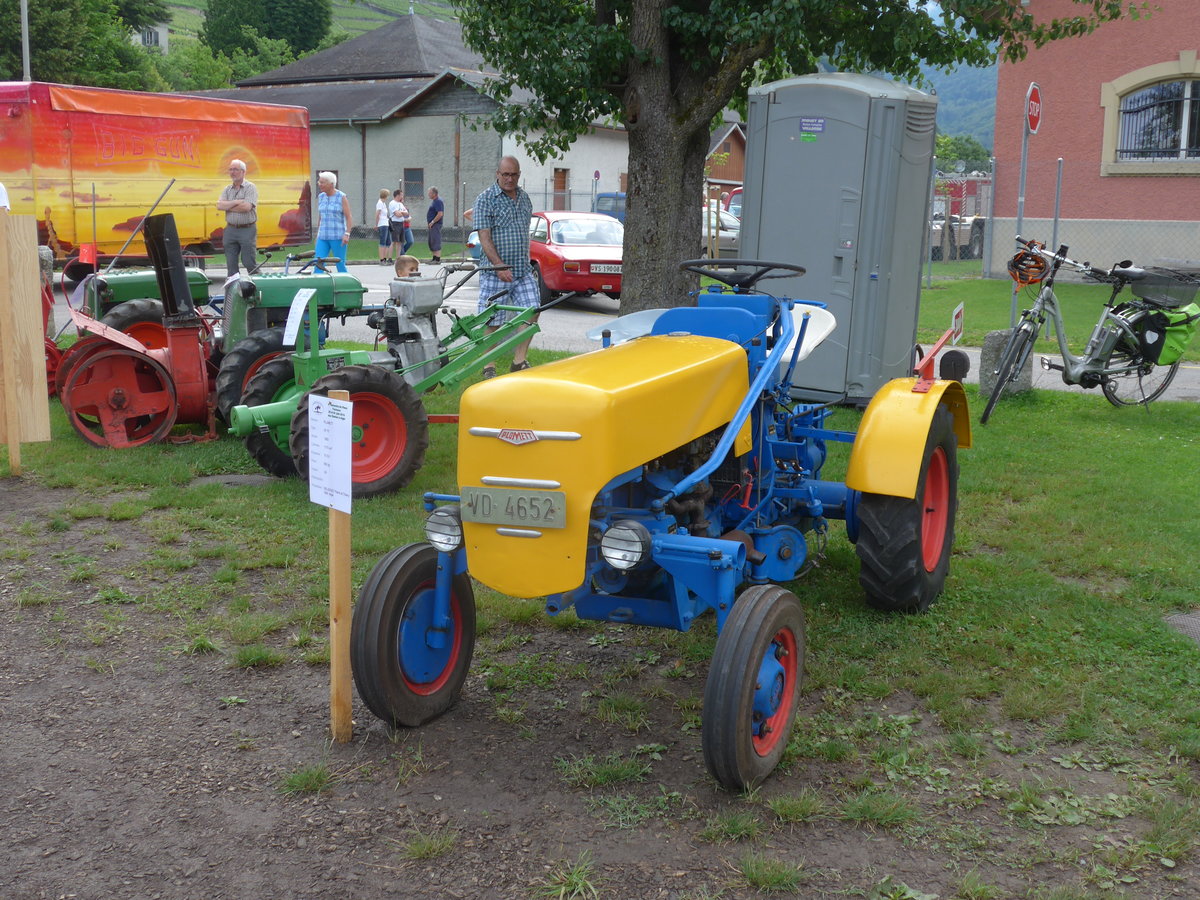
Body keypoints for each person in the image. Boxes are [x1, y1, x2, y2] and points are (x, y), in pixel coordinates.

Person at [473, 157, 537, 377]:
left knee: (532, 311)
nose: (510, 179)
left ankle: (519, 361)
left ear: (519, 175)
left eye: (514, 175)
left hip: (522, 270)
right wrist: (499, 266)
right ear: (497, 174)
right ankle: (488, 365)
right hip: (494, 272)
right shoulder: (485, 199)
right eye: (505, 174)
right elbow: (484, 237)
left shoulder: (525, 198)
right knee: (493, 320)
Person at [216, 159, 257, 276]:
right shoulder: (227, 189)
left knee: (248, 262)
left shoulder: (250, 188)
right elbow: (219, 205)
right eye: (230, 169)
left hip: (247, 230)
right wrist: (236, 202)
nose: (232, 172)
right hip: (230, 230)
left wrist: (228, 206)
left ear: (243, 172)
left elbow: (246, 207)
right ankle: (232, 290)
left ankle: (259, 285)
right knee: (231, 265)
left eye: (235, 169)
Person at [314, 171, 352, 273]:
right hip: (323, 236)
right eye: (319, 182)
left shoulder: (341, 197)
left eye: (322, 182)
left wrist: (347, 234)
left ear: (331, 184)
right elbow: (320, 217)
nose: (319, 184)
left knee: (340, 263)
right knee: (318, 263)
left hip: (338, 236)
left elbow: (348, 217)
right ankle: (318, 285)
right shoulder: (321, 197)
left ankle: (345, 284)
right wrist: (318, 235)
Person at [389, 189, 413, 258]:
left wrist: (401, 213)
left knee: (400, 242)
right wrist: (402, 213)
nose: (402, 196)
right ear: (398, 195)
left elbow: (407, 214)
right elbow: (397, 214)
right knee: (394, 242)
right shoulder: (392, 203)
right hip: (395, 223)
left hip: (401, 223)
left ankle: (398, 258)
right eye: (401, 195)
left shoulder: (400, 204)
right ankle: (389, 258)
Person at [426, 186, 444, 263]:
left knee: (436, 240)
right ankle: (434, 258)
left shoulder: (438, 201)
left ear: (434, 193)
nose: (428, 194)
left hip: (436, 225)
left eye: (430, 193)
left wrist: (433, 222)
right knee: (432, 241)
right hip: (432, 225)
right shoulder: (434, 201)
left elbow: (440, 214)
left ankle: (437, 259)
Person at [375, 189, 392, 264]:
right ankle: (382, 259)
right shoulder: (379, 203)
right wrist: (376, 224)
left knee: (388, 242)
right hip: (382, 224)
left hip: (386, 223)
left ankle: (385, 258)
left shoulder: (383, 203)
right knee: (382, 241)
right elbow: (377, 214)